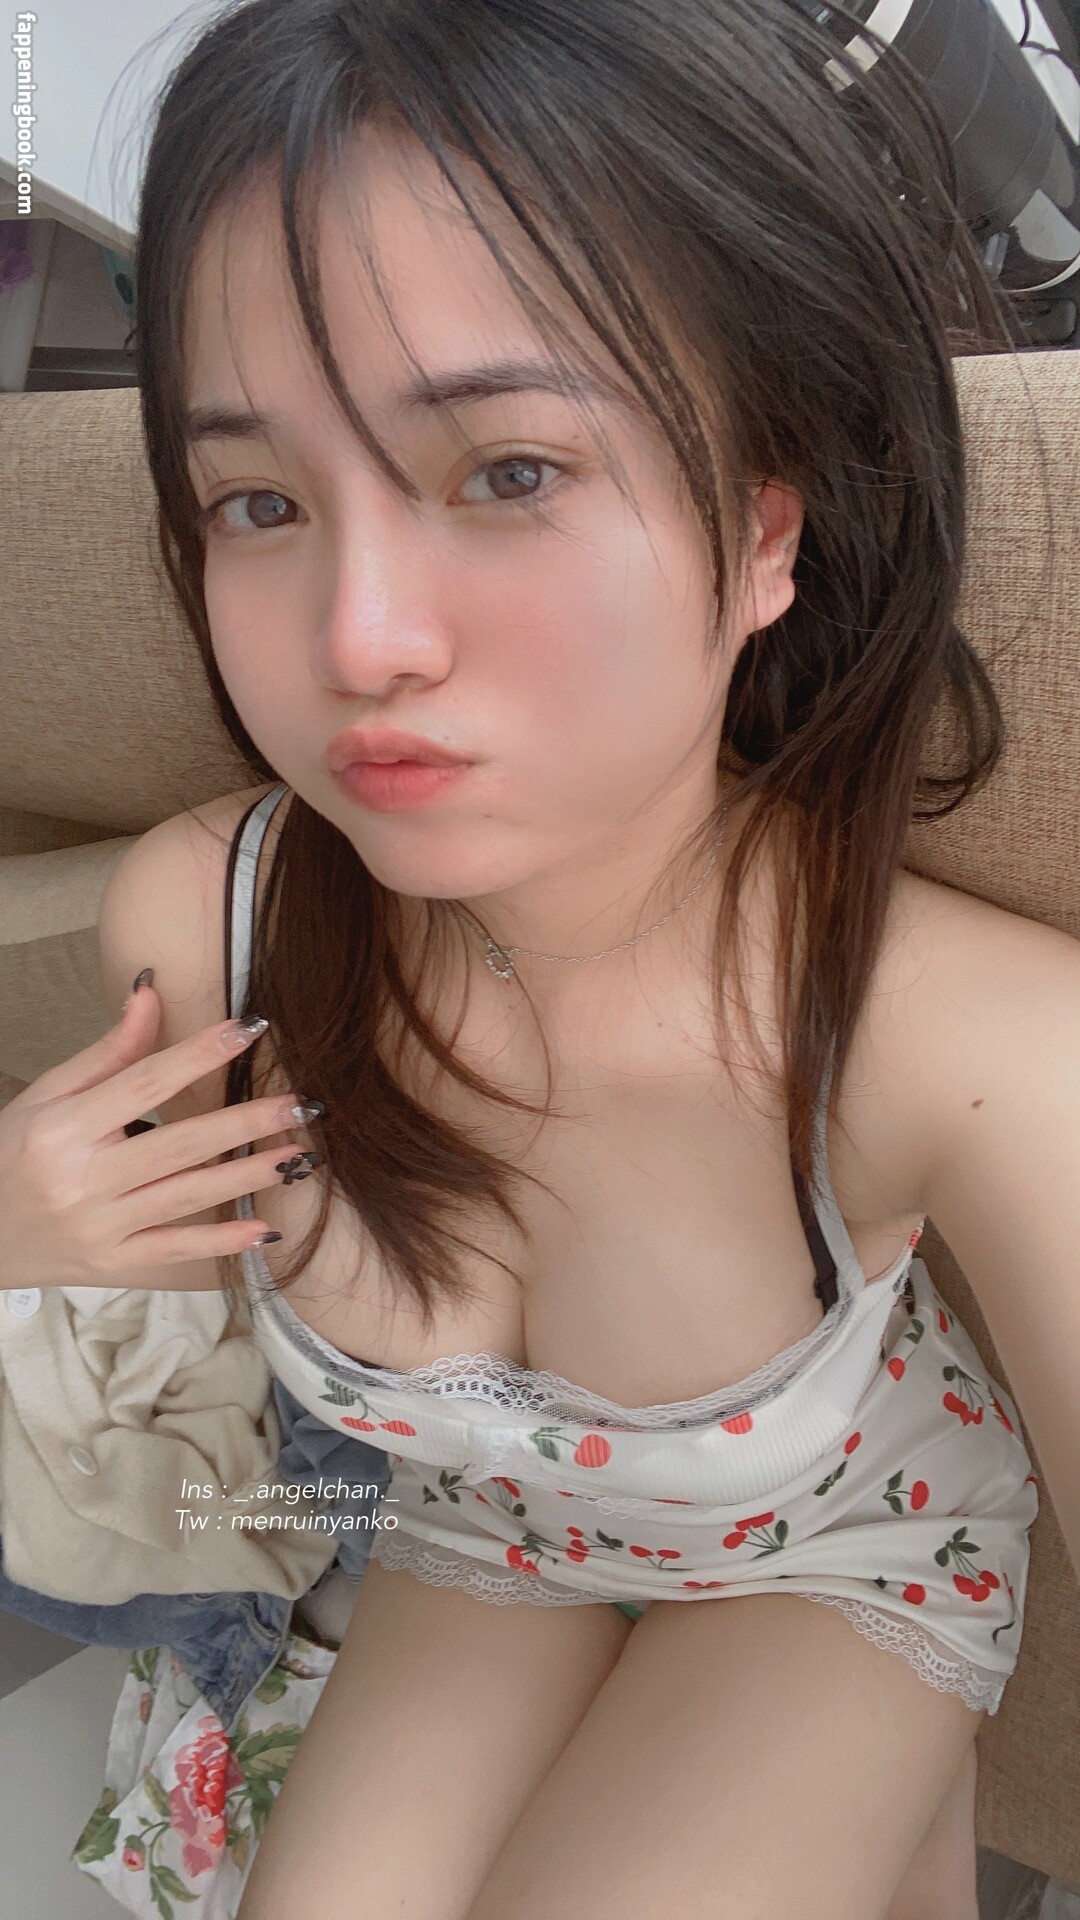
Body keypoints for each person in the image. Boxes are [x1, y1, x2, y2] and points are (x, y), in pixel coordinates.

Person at [3, 0, 1076, 1914]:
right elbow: (184, 1408)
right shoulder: (213, 928)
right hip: (478, 1536)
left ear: (765, 531)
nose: (362, 639)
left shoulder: (959, 1044)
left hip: (831, 1557)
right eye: (260, 501)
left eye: (508, 470)